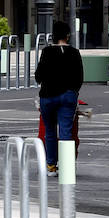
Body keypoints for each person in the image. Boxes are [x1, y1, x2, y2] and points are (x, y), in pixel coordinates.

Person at [35, 20, 83, 177]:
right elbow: (79, 78)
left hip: (48, 96)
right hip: (68, 97)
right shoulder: (75, 53)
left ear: (53, 36)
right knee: (66, 132)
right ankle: (66, 165)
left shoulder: (47, 52)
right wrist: (72, 93)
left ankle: (51, 166)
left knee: (49, 131)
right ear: (67, 36)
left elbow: (38, 76)